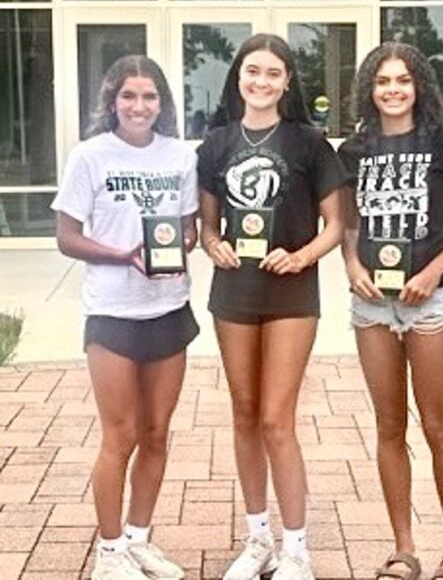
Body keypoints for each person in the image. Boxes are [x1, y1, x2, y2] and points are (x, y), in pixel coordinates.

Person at [197, 33, 347, 580]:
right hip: (233, 292)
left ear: (288, 81)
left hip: (291, 294)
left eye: (272, 73)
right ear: (238, 78)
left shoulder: (309, 143)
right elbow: (208, 227)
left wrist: (302, 254)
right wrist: (214, 246)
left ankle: (296, 548)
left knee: (275, 420)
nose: (260, 82)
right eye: (251, 71)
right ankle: (257, 538)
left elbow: (337, 225)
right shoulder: (215, 143)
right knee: (242, 414)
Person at [338, 42, 443, 580]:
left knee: (436, 424)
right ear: (369, 90)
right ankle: (403, 549)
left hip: (431, 299)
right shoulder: (353, 151)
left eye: (403, 80)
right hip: (373, 305)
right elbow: (348, 226)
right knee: (387, 426)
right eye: (383, 82)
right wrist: (351, 265)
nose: (393, 90)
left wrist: (431, 272)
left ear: (419, 85)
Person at [52, 55, 199, 580]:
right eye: (129, 96)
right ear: (112, 100)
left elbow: (188, 230)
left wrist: (176, 248)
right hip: (112, 312)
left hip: (169, 307)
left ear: (163, 103)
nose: (140, 107)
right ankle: (109, 553)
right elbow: (66, 236)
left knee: (157, 432)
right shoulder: (89, 157)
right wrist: (124, 255)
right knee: (122, 434)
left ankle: (138, 540)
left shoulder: (181, 156)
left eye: (150, 97)